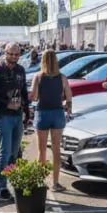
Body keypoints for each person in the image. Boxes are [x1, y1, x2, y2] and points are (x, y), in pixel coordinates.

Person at [0, 43, 31, 201]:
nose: (13, 57)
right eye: (11, 54)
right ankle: (1, 187)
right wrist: (7, 103)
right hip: (4, 116)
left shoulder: (20, 70)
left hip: (18, 116)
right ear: (5, 53)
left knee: (14, 152)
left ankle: (11, 181)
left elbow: (24, 91)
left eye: (16, 54)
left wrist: (27, 110)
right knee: (5, 153)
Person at [31, 49, 74, 191]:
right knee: (56, 149)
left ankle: (40, 181)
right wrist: (67, 106)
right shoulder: (62, 77)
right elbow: (68, 96)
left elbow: (35, 97)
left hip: (42, 113)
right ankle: (55, 182)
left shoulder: (38, 77)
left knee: (41, 150)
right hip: (57, 113)